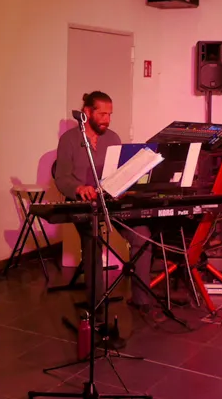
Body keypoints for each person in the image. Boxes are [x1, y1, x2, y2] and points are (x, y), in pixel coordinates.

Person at [54, 91, 163, 325]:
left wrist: (125, 185)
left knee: (142, 235)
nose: (107, 119)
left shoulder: (113, 138)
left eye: (110, 114)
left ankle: (141, 299)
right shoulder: (69, 140)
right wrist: (79, 188)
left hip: (111, 201)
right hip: (84, 204)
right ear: (87, 112)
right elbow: (61, 178)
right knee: (93, 241)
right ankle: (97, 305)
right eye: (102, 114)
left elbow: (119, 173)